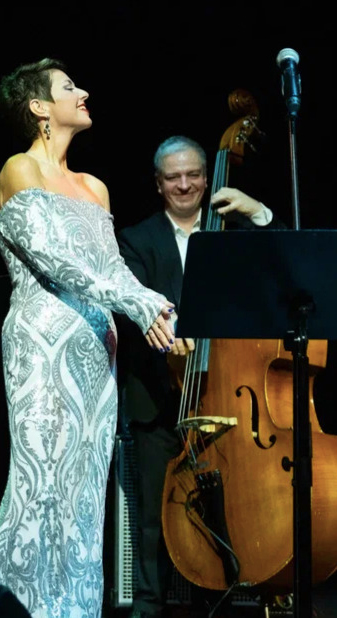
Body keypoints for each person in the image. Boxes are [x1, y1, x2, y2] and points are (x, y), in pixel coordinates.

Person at [0, 58, 176, 618]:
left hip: (94, 351)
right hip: (42, 348)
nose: (83, 91)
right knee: (40, 486)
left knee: (85, 499)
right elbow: (58, 260)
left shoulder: (95, 187)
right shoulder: (19, 169)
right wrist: (136, 304)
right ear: (39, 107)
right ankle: (9, 610)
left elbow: (112, 270)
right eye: (68, 87)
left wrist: (155, 303)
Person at [116, 135, 286, 618]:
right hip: (158, 394)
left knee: (226, 508)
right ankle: (148, 606)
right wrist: (165, 334)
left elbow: (288, 261)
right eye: (173, 177)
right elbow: (128, 306)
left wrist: (259, 213)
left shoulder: (232, 231)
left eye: (193, 175)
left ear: (208, 178)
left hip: (227, 394)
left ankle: (220, 602)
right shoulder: (136, 240)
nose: (185, 185)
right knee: (153, 515)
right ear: (158, 184)